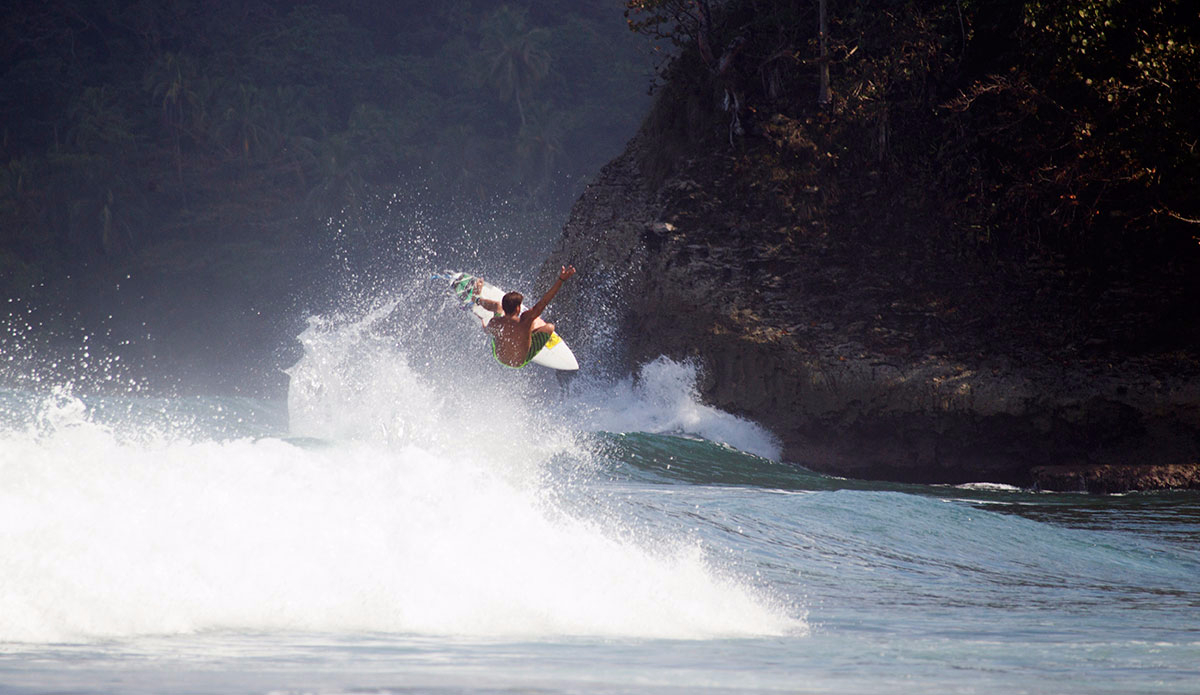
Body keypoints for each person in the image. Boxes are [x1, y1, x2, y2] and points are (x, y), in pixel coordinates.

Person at [473, 265, 575, 368]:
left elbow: (486, 331)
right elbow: (543, 302)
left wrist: (484, 324)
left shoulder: (496, 322)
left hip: (499, 356)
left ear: (505, 307)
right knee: (549, 327)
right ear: (518, 309)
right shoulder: (525, 320)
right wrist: (561, 280)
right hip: (519, 362)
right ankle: (528, 336)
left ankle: (477, 299)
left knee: (496, 307)